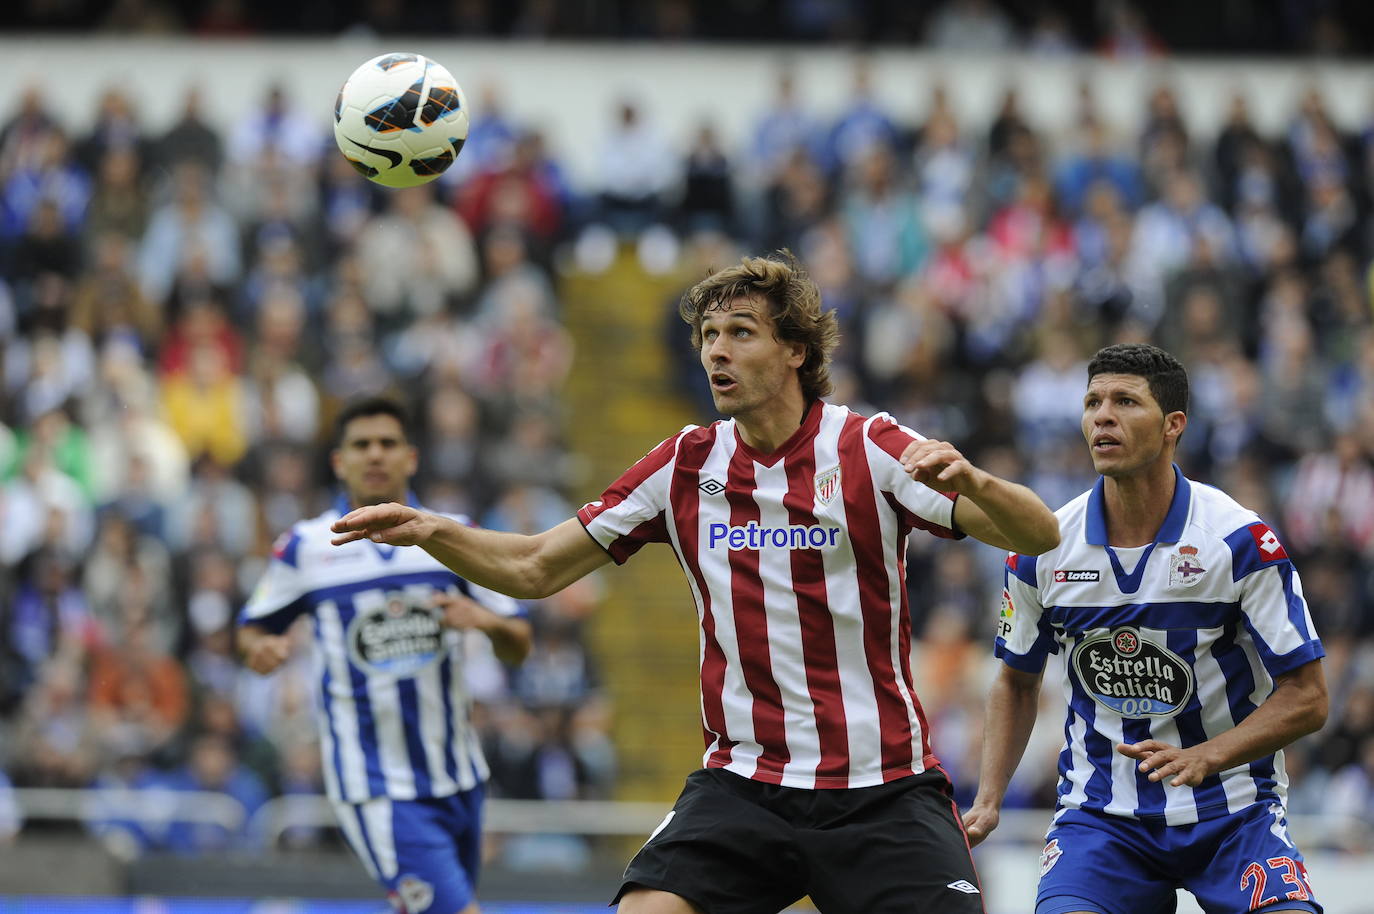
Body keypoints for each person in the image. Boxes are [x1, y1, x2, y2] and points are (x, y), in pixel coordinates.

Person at [331, 253, 1061, 913]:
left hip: (882, 787)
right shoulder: (684, 464)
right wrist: (433, 532)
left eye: (741, 331)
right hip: (745, 784)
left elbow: (1038, 535)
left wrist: (976, 481)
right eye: (709, 334)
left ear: (795, 352)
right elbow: (534, 566)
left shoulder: (868, 448)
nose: (717, 349)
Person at [965, 343, 1327, 914]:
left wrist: (1210, 754)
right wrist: (989, 799)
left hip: (1233, 814)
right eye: (1093, 402)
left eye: (1126, 401)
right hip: (1102, 821)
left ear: (1172, 426)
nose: (1102, 416)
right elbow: (1015, 681)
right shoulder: (1041, 549)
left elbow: (1308, 697)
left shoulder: (1239, 542)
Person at [237, 397, 531, 914]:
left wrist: (487, 624)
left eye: (388, 443)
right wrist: (260, 647)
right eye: (361, 444)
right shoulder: (304, 547)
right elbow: (251, 630)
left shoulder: (454, 533)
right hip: (374, 783)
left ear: (411, 457)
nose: (375, 454)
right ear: (339, 461)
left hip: (459, 774)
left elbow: (518, 647)